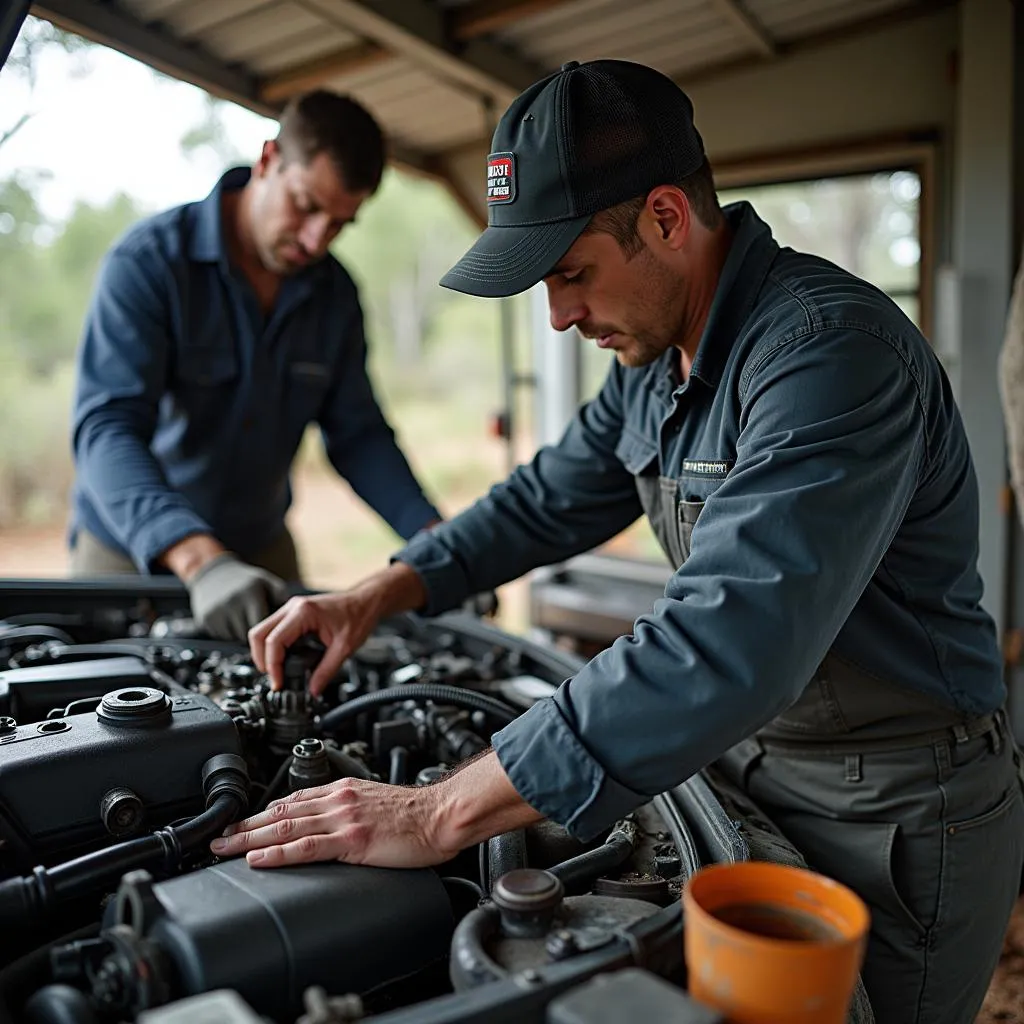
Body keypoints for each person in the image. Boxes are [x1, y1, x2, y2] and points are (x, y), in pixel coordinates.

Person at [211, 60, 1024, 1022]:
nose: (558, 316)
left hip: (890, 808)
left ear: (668, 220)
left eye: (571, 273)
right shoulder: (654, 359)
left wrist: (434, 811)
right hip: (739, 760)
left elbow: (726, 642)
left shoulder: (828, 357)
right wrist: (377, 592)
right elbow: (544, 499)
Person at [68, 91, 441, 640]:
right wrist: (201, 561)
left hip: (261, 549)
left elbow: (359, 436)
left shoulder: (334, 296)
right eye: (307, 206)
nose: (317, 239)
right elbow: (106, 430)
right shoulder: (148, 266)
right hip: (131, 550)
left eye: (340, 224)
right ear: (268, 161)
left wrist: (439, 542)